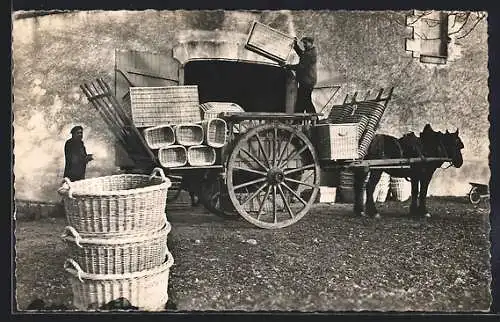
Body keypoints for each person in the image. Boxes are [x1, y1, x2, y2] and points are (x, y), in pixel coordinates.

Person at [282, 36, 318, 113]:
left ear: (311, 43)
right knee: (304, 99)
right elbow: (301, 54)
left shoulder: (309, 54)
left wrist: (288, 66)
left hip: (307, 81)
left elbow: (300, 67)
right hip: (308, 80)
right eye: (303, 43)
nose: (304, 45)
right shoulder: (310, 51)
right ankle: (303, 119)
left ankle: (312, 119)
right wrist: (295, 46)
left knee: (305, 100)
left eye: (305, 43)